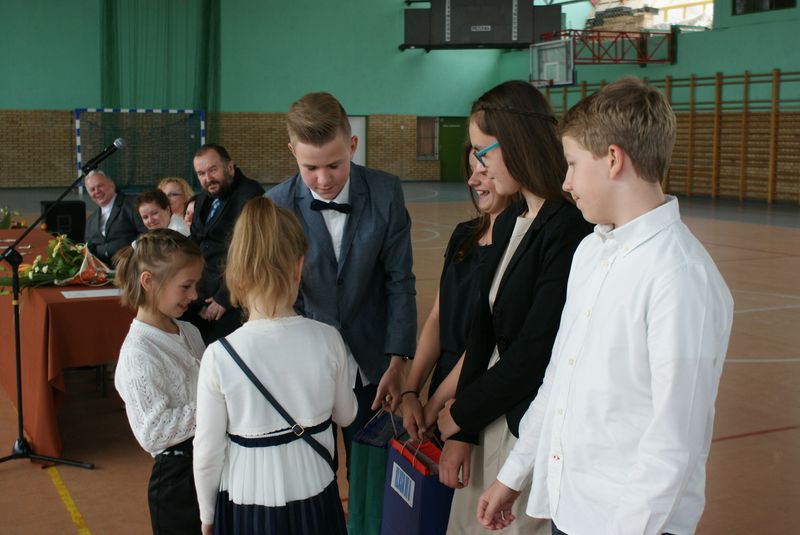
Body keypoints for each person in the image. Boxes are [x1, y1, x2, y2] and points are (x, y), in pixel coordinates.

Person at [477, 77, 734, 535]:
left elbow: (673, 441)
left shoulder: (680, 277)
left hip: (631, 522)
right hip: (572, 511)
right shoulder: (591, 251)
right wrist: (513, 474)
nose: (566, 182)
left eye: (573, 164)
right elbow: (559, 379)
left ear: (613, 159)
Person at [423, 80, 592, 535]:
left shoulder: (568, 227)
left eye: (483, 152)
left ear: (515, 141)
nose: (477, 167)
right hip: (485, 414)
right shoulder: (510, 221)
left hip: (523, 425)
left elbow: (535, 352)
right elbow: (483, 331)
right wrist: (462, 431)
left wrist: (462, 413)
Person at [266, 91, 416, 473]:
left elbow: (399, 280)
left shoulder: (386, 191)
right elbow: (271, 298)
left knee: (370, 475)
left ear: (352, 146)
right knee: (312, 476)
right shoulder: (275, 205)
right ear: (292, 152)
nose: (323, 180)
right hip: (303, 369)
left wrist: (398, 360)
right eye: (310, 168)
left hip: (373, 365)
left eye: (334, 165)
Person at [193, 197, 357, 535]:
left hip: (247, 502)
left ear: (236, 273)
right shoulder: (329, 339)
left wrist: (207, 516)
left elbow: (207, 452)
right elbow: (346, 415)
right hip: (317, 494)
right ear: (298, 267)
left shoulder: (219, 355)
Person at [401, 143, 514, 441]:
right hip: (443, 382)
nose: (473, 180)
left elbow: (486, 342)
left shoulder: (517, 248)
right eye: (471, 170)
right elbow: (438, 317)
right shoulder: (464, 234)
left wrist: (436, 403)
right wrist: (411, 391)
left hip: (477, 390)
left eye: (483, 171)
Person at [113, 229, 206, 535]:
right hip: (178, 484)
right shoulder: (137, 353)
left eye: (196, 285)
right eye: (186, 286)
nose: (194, 295)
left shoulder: (190, 331)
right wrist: (217, 405)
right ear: (149, 281)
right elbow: (153, 432)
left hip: (209, 465)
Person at [188, 144, 264, 344]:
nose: (208, 178)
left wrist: (224, 299)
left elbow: (250, 253)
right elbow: (194, 243)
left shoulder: (250, 195)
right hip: (202, 296)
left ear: (230, 167)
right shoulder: (203, 198)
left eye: (213, 170)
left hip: (234, 300)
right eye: (201, 174)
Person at [84, 170, 145, 265]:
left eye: (100, 186)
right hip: (102, 271)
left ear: (112, 185)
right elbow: (88, 250)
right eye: (92, 189)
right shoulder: (90, 221)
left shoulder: (132, 204)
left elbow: (146, 234)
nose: (97, 191)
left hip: (133, 265)